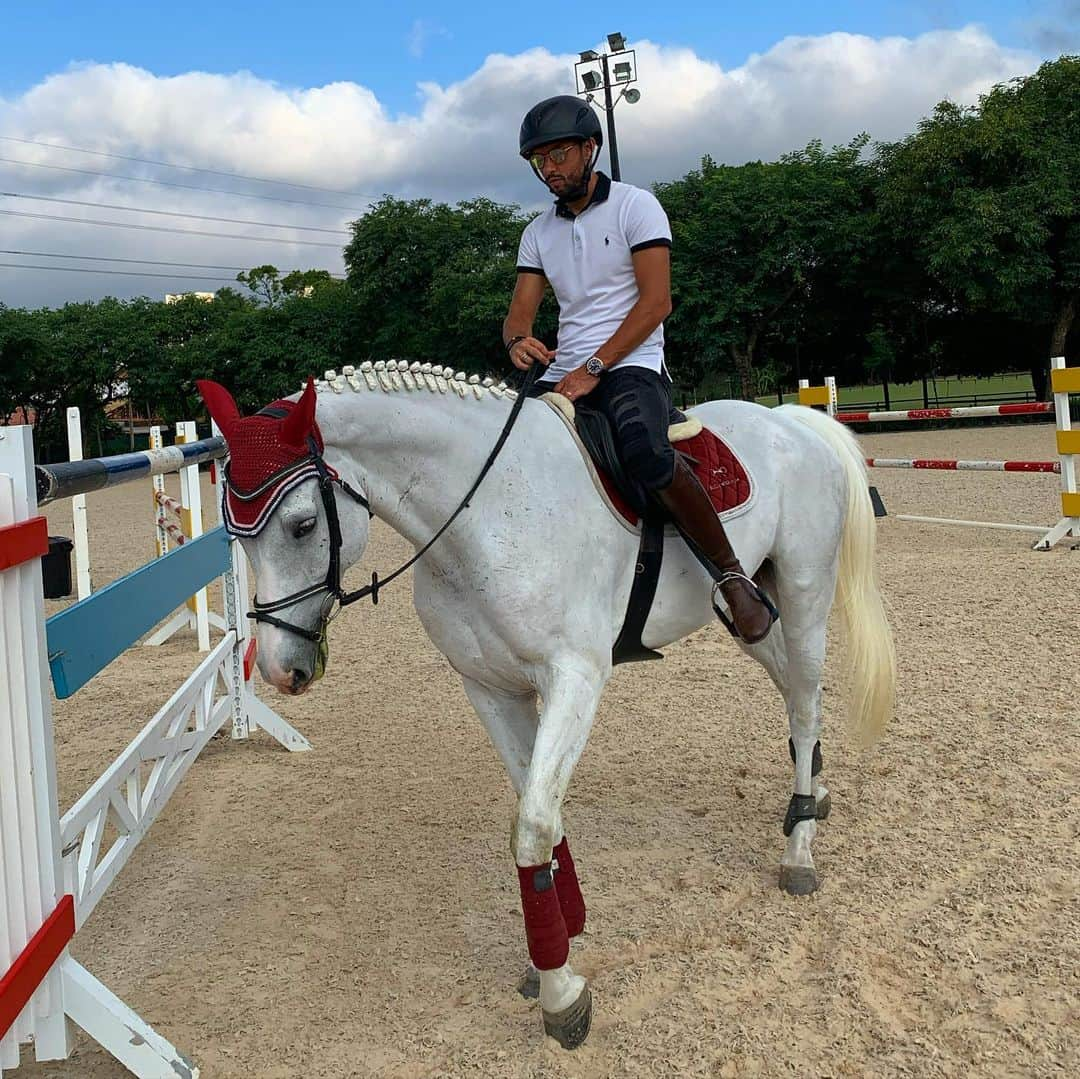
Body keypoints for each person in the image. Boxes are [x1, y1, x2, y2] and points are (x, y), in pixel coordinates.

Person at [503, 95, 774, 644]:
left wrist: (596, 368)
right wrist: (517, 342)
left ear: (589, 148)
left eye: (558, 155)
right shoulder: (537, 232)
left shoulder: (636, 206)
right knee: (507, 452)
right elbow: (519, 315)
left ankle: (731, 577)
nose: (549, 168)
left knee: (646, 453)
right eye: (539, 160)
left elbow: (656, 304)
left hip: (632, 363)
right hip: (565, 371)